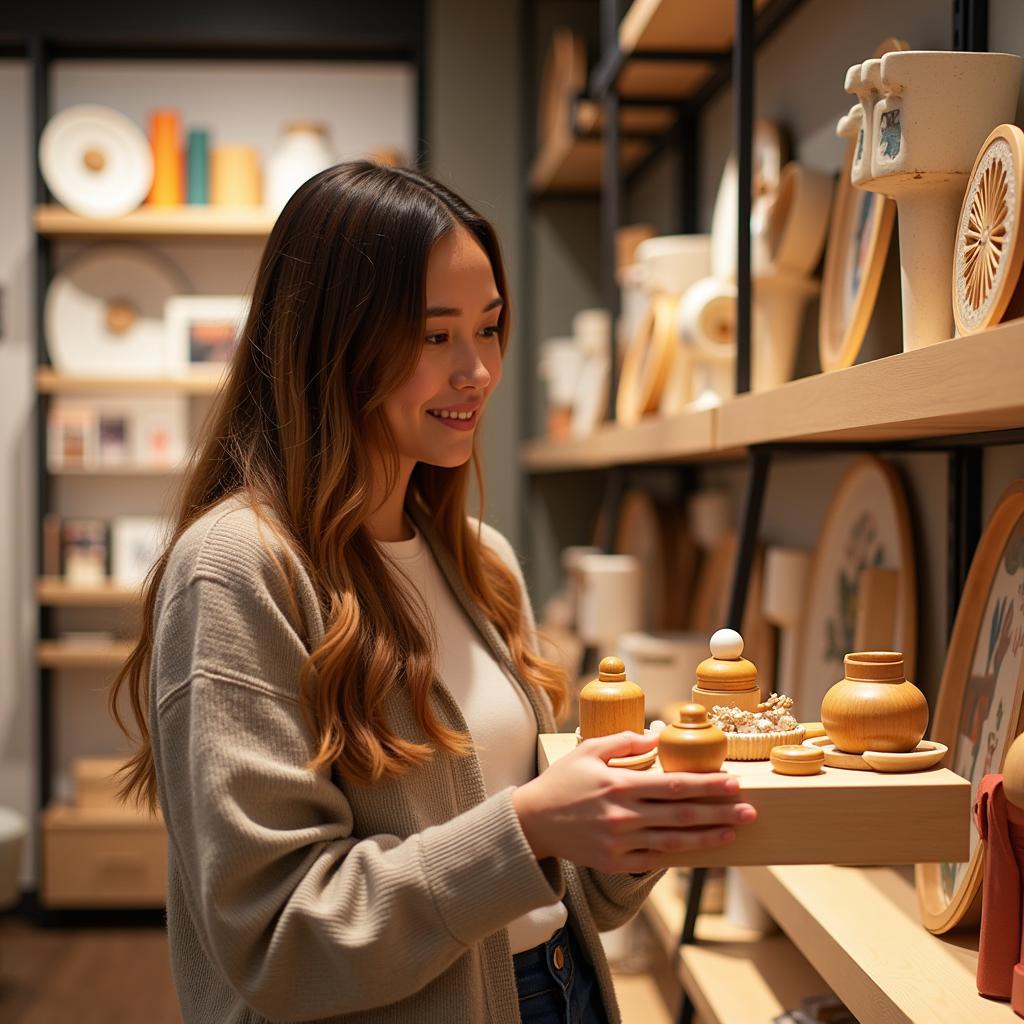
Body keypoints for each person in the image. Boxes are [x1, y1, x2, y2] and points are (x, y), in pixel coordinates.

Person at [110, 161, 756, 1024]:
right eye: (433, 335)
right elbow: (277, 939)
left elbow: (567, 896)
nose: (479, 371)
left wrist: (637, 823)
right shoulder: (237, 569)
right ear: (331, 340)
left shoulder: (481, 564)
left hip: (562, 990)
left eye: (489, 329)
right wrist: (526, 827)